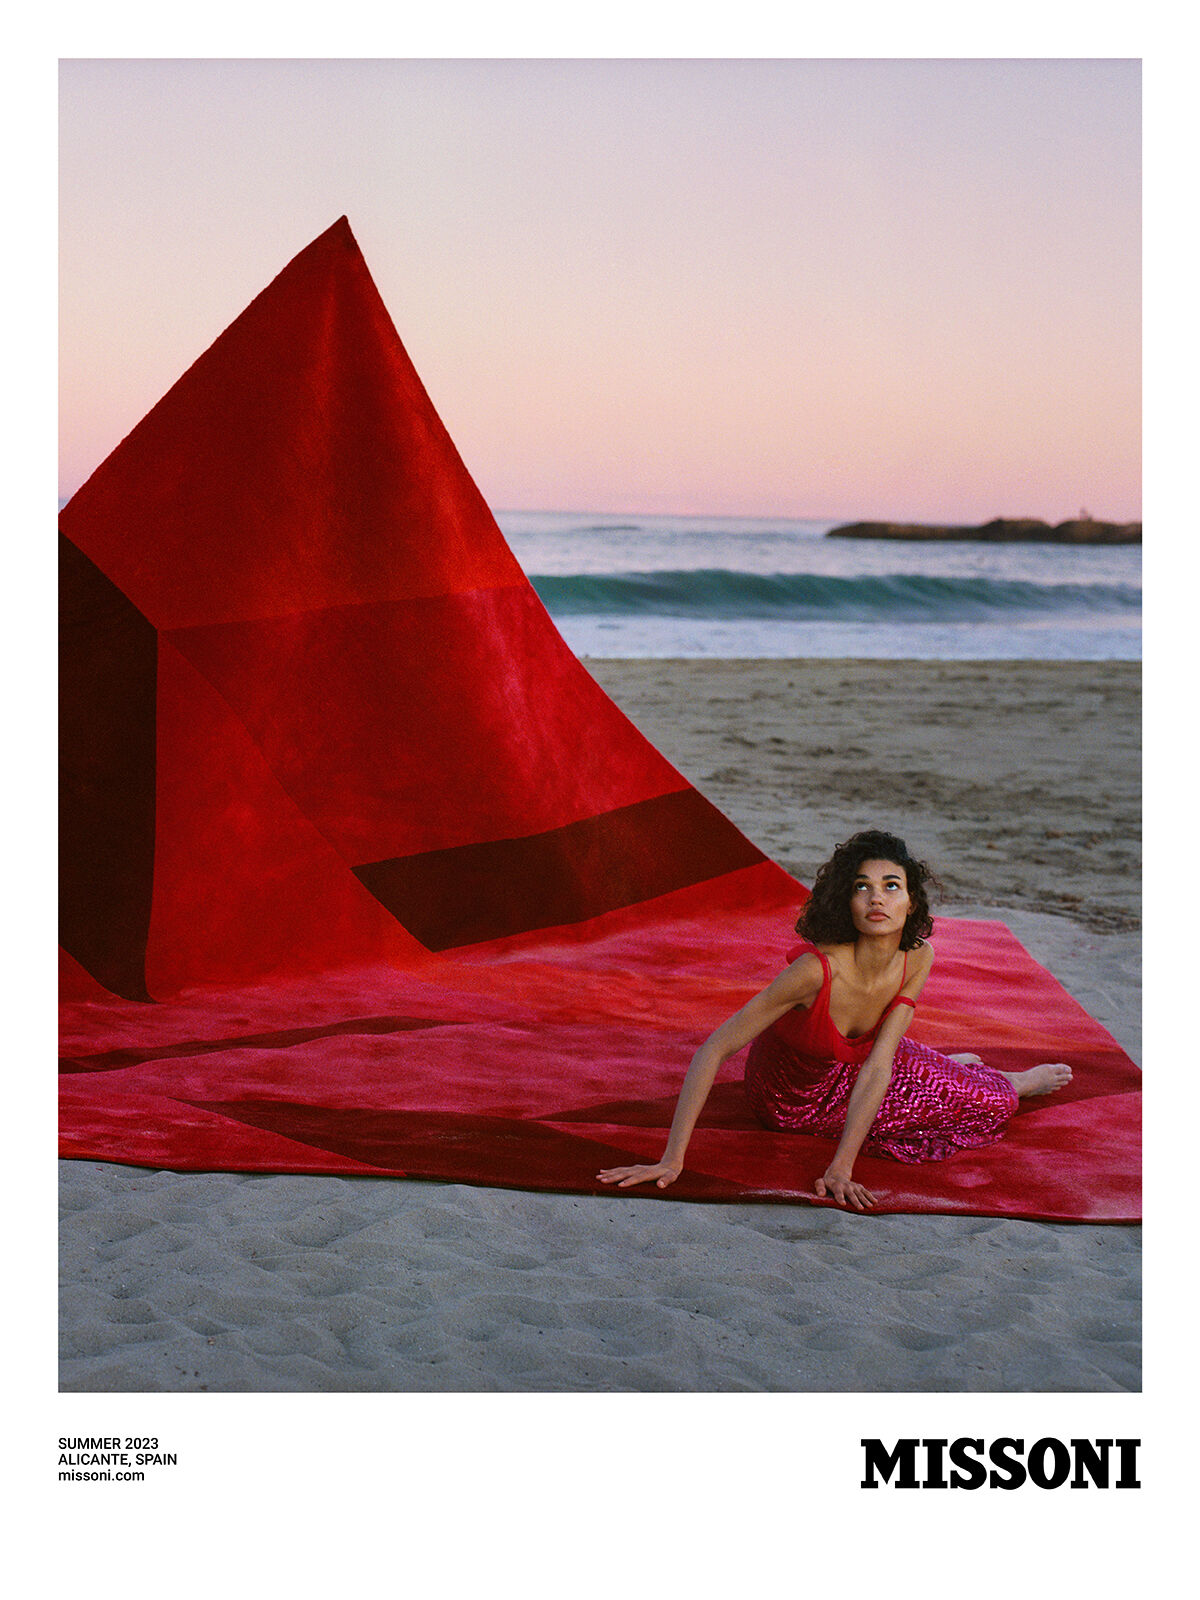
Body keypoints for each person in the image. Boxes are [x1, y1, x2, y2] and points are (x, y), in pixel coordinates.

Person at [597, 828, 1072, 1211]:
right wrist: (672, 1159)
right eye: (861, 887)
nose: (876, 900)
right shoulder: (813, 972)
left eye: (892, 887)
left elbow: (879, 1063)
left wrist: (840, 1167)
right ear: (846, 901)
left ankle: (974, 1073)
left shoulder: (918, 958)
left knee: (946, 1082)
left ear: (911, 902)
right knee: (989, 1103)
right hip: (790, 1100)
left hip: (859, 1066)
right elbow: (715, 1048)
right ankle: (1004, 1081)